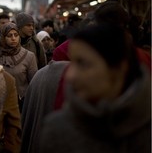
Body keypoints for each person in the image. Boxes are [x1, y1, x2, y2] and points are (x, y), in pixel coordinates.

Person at [39, 24, 151, 153]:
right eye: (72, 63)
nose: (70, 75)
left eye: (83, 64)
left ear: (119, 68)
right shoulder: (57, 129)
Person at [0, 22, 38, 112]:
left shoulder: (29, 56)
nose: (13, 38)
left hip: (21, 104)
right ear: (3, 37)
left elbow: (34, 84)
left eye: (16, 35)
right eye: (9, 35)